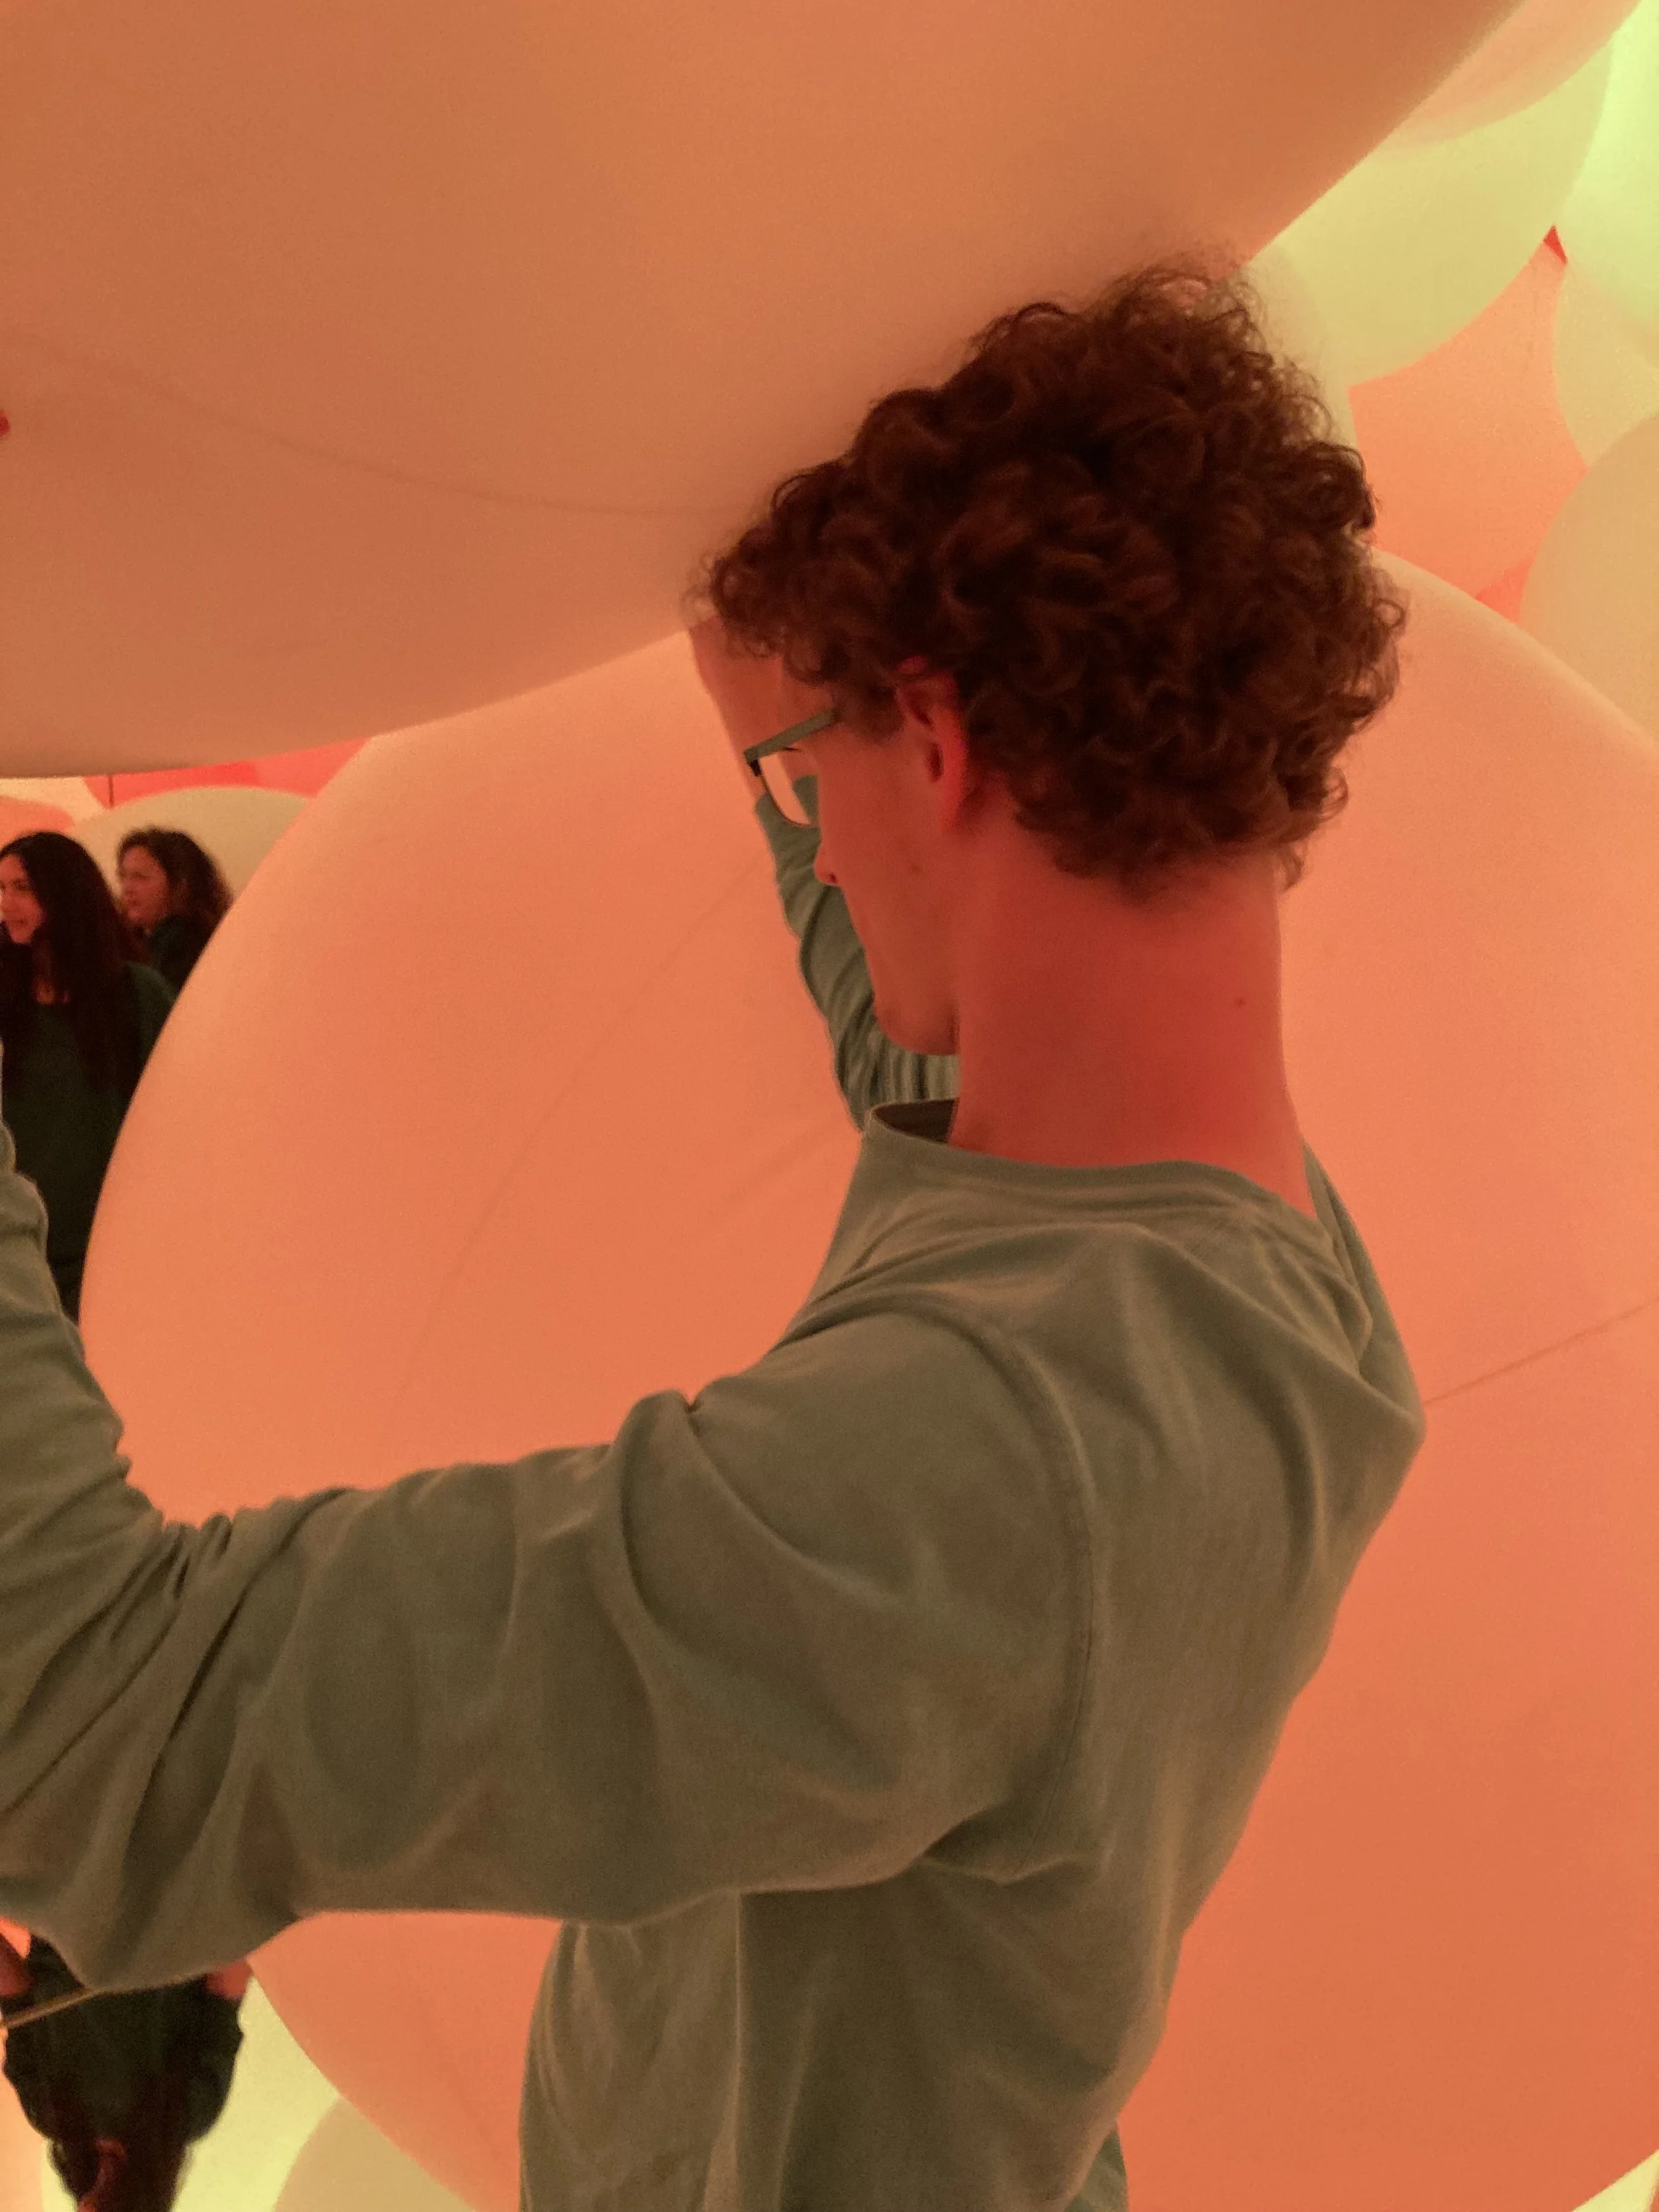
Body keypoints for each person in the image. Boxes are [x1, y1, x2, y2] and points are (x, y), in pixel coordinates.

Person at [0, 253, 1425, 2212]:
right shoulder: (1238, 1245)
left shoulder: (976, 1466)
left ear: (937, 741)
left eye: (805, 781)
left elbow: (96, 1723)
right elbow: (879, 962)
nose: (801, 829)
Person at [0, 832, 175, 1320]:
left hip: (110, 1236)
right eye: (2, 888)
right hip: (18, 1240)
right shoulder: (7, 994)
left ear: (64, 893)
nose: (6, 903)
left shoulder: (135, 995)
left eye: (22, 888)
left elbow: (172, 1111)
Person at [0, 1928, 250, 2212]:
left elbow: (18, 2001)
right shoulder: (187, 2116)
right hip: (162, 1922)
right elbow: (224, 1993)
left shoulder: (47, 2115)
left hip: (60, 1923)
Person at [115, 828, 232, 996]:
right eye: (123, 877)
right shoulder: (134, 946)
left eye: (140, 877)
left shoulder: (190, 951)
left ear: (179, 884)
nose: (127, 888)